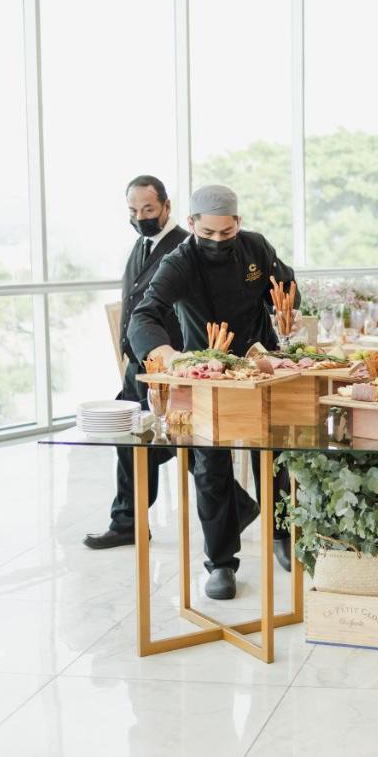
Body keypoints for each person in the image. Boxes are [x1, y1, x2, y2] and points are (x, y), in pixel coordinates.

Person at [129, 184, 299, 600]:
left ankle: (282, 534)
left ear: (238, 224)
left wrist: (287, 309)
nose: (218, 242)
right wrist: (168, 355)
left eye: (227, 234)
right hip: (206, 368)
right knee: (210, 466)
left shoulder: (256, 247)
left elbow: (287, 284)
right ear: (191, 225)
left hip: (260, 363)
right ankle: (221, 562)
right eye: (209, 235)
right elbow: (144, 315)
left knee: (275, 455)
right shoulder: (179, 261)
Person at [84, 175, 187, 551]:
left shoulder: (182, 248)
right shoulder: (142, 244)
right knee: (136, 437)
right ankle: (128, 520)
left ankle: (236, 506)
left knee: (157, 438)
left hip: (163, 363)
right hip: (138, 364)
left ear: (166, 207)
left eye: (147, 209)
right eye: (133, 210)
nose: (140, 216)